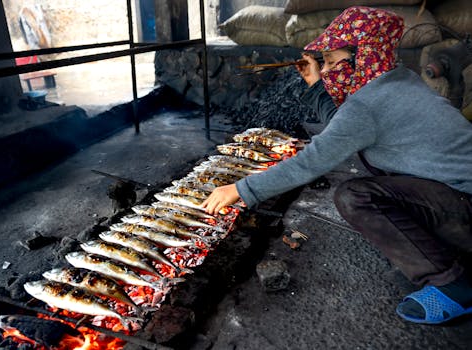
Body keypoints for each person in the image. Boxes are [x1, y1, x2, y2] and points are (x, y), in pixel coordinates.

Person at [202, 6, 472, 325]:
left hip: (463, 205)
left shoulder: (368, 104)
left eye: (331, 61)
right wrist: (317, 85)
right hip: (454, 193)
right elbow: (344, 128)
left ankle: (452, 284)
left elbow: (313, 160)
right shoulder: (395, 80)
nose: (328, 69)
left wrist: (241, 189)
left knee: (355, 196)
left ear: (360, 58)